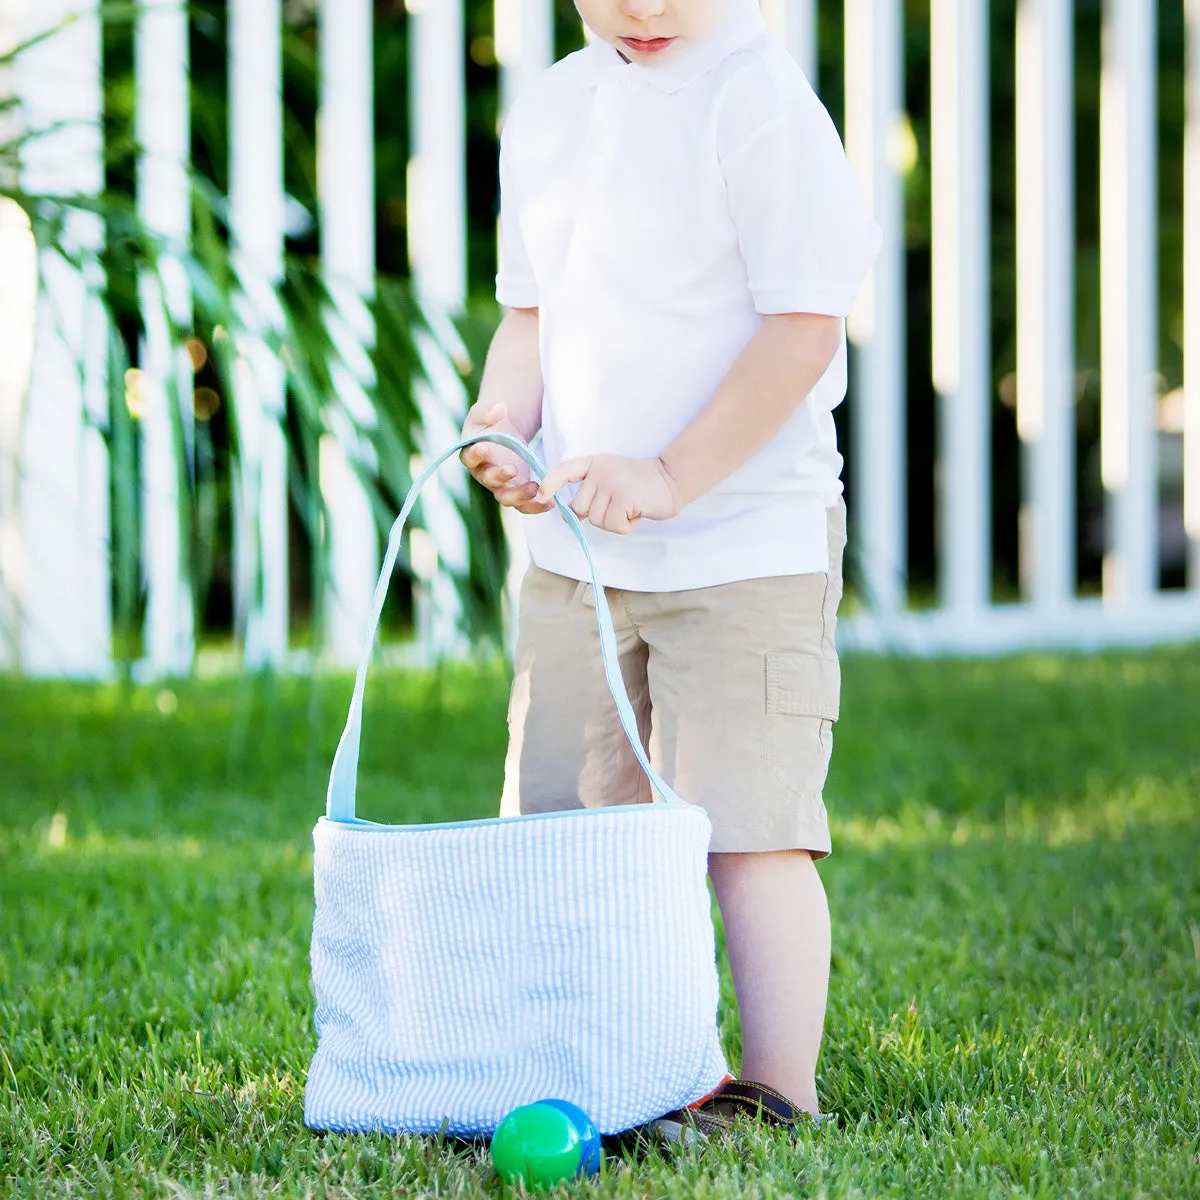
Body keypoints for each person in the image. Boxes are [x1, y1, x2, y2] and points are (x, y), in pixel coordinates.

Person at [459, 0, 881, 1130]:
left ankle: (777, 1089)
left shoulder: (758, 103)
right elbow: (530, 313)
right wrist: (506, 418)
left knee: (748, 824)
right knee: (576, 829)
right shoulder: (554, 107)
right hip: (579, 555)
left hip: (743, 545)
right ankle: (606, 1057)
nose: (639, 7)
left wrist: (673, 474)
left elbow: (803, 326)